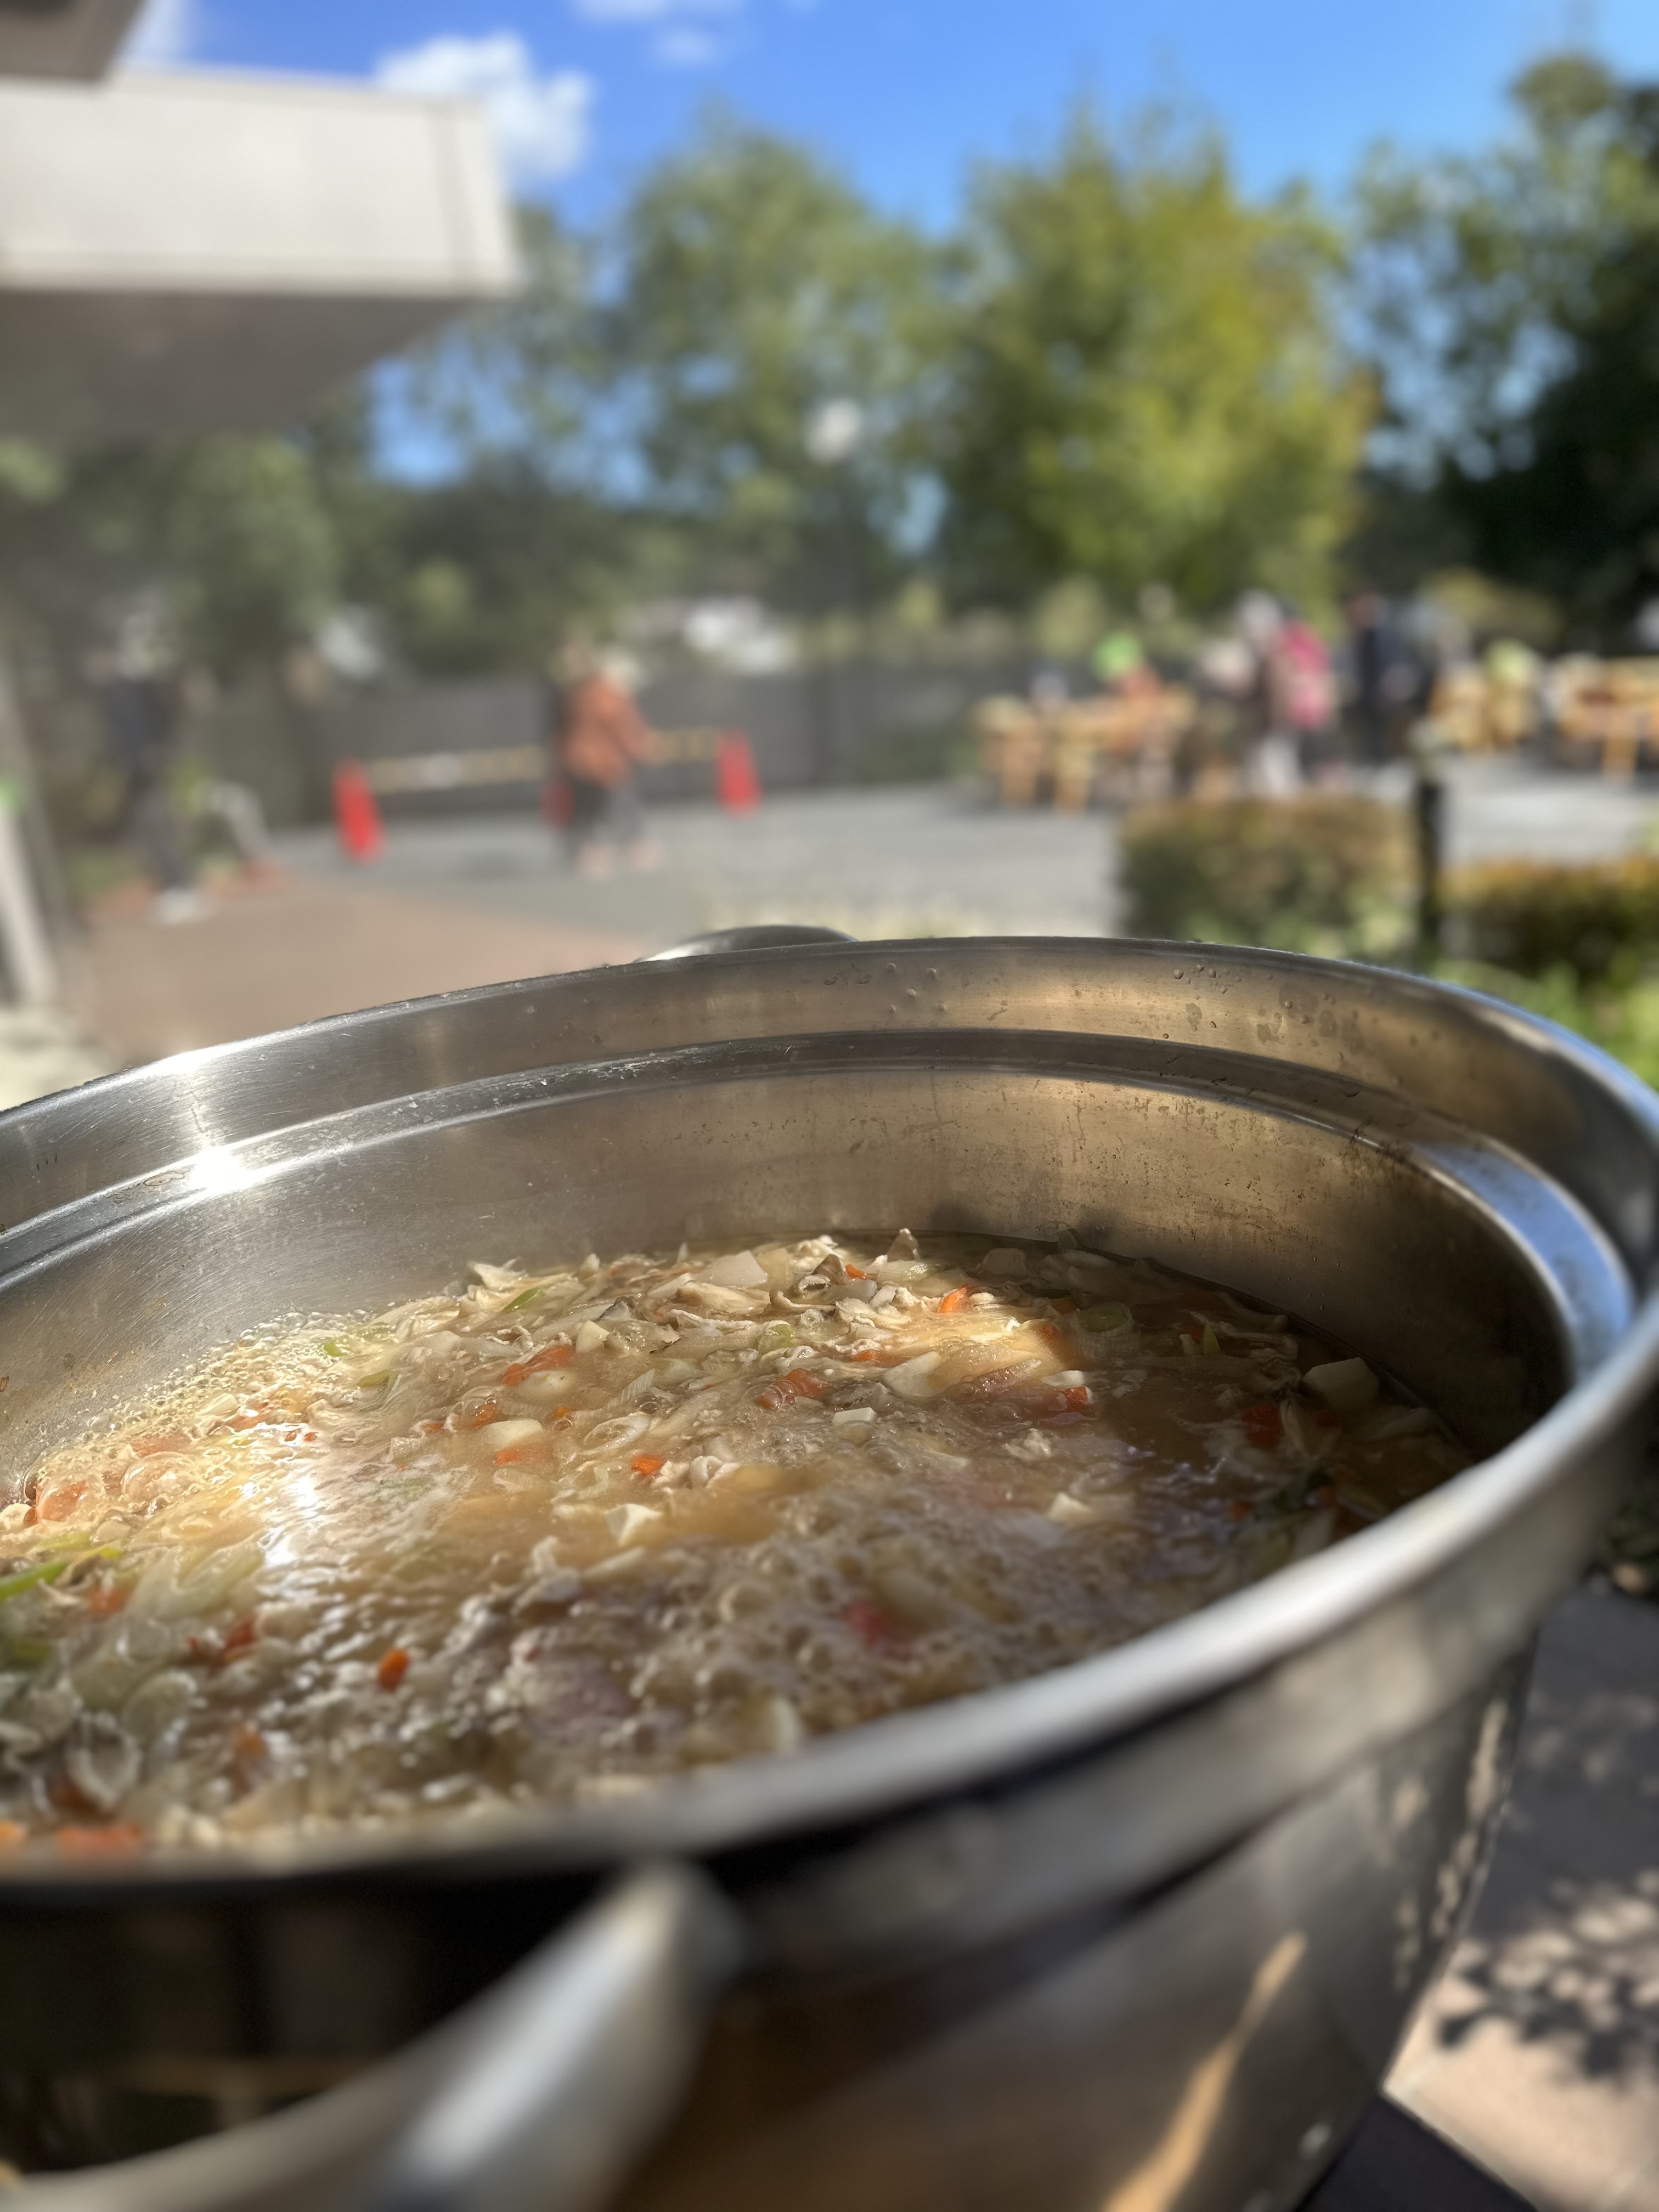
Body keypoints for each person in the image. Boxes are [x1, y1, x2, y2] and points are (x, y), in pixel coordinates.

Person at [91, 642, 204, 922]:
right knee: (145, 829)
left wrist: (159, 751)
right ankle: (174, 886)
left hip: (148, 770)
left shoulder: (136, 689)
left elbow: (164, 719)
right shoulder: (109, 695)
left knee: (156, 826)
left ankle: (183, 887)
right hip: (132, 772)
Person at [548, 647, 659, 876]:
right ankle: (625, 848)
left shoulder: (572, 693)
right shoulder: (604, 692)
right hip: (605, 761)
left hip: (579, 760)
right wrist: (637, 747)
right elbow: (620, 724)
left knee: (587, 809)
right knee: (619, 805)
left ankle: (590, 849)